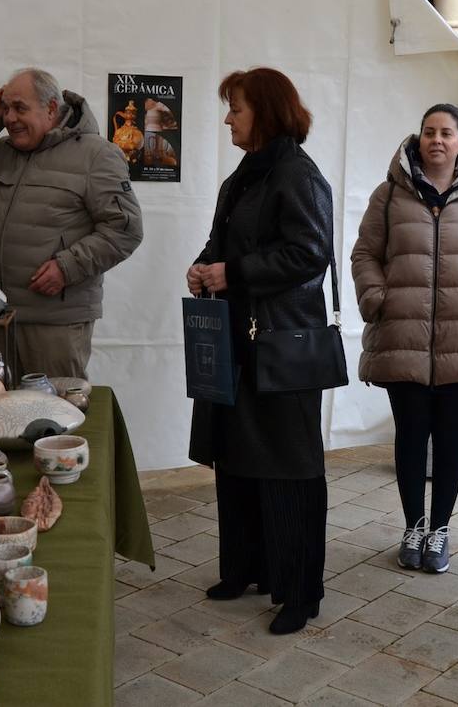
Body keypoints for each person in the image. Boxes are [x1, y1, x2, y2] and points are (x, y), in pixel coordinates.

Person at [186, 67, 335, 635]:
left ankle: (299, 592)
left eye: (237, 108)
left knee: (289, 470)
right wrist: (204, 268)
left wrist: (234, 273)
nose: (228, 118)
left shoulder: (298, 174)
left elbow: (309, 253)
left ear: (267, 112)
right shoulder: (245, 177)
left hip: (281, 347)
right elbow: (224, 243)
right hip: (241, 341)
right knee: (238, 458)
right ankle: (246, 568)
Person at [351, 104, 458, 575]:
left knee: (449, 441)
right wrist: (378, 297)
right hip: (403, 332)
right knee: (409, 437)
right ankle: (412, 527)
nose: (436, 140)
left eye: (446, 133)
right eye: (428, 132)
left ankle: (439, 529)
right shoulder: (390, 194)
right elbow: (365, 252)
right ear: (418, 139)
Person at [0, 68, 143, 378]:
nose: (9, 118)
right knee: (1, 417)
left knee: (54, 418)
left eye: (20, 107)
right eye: (5, 108)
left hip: (56, 320)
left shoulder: (96, 155)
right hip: (1, 315)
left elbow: (125, 229)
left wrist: (67, 267)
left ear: (50, 109)